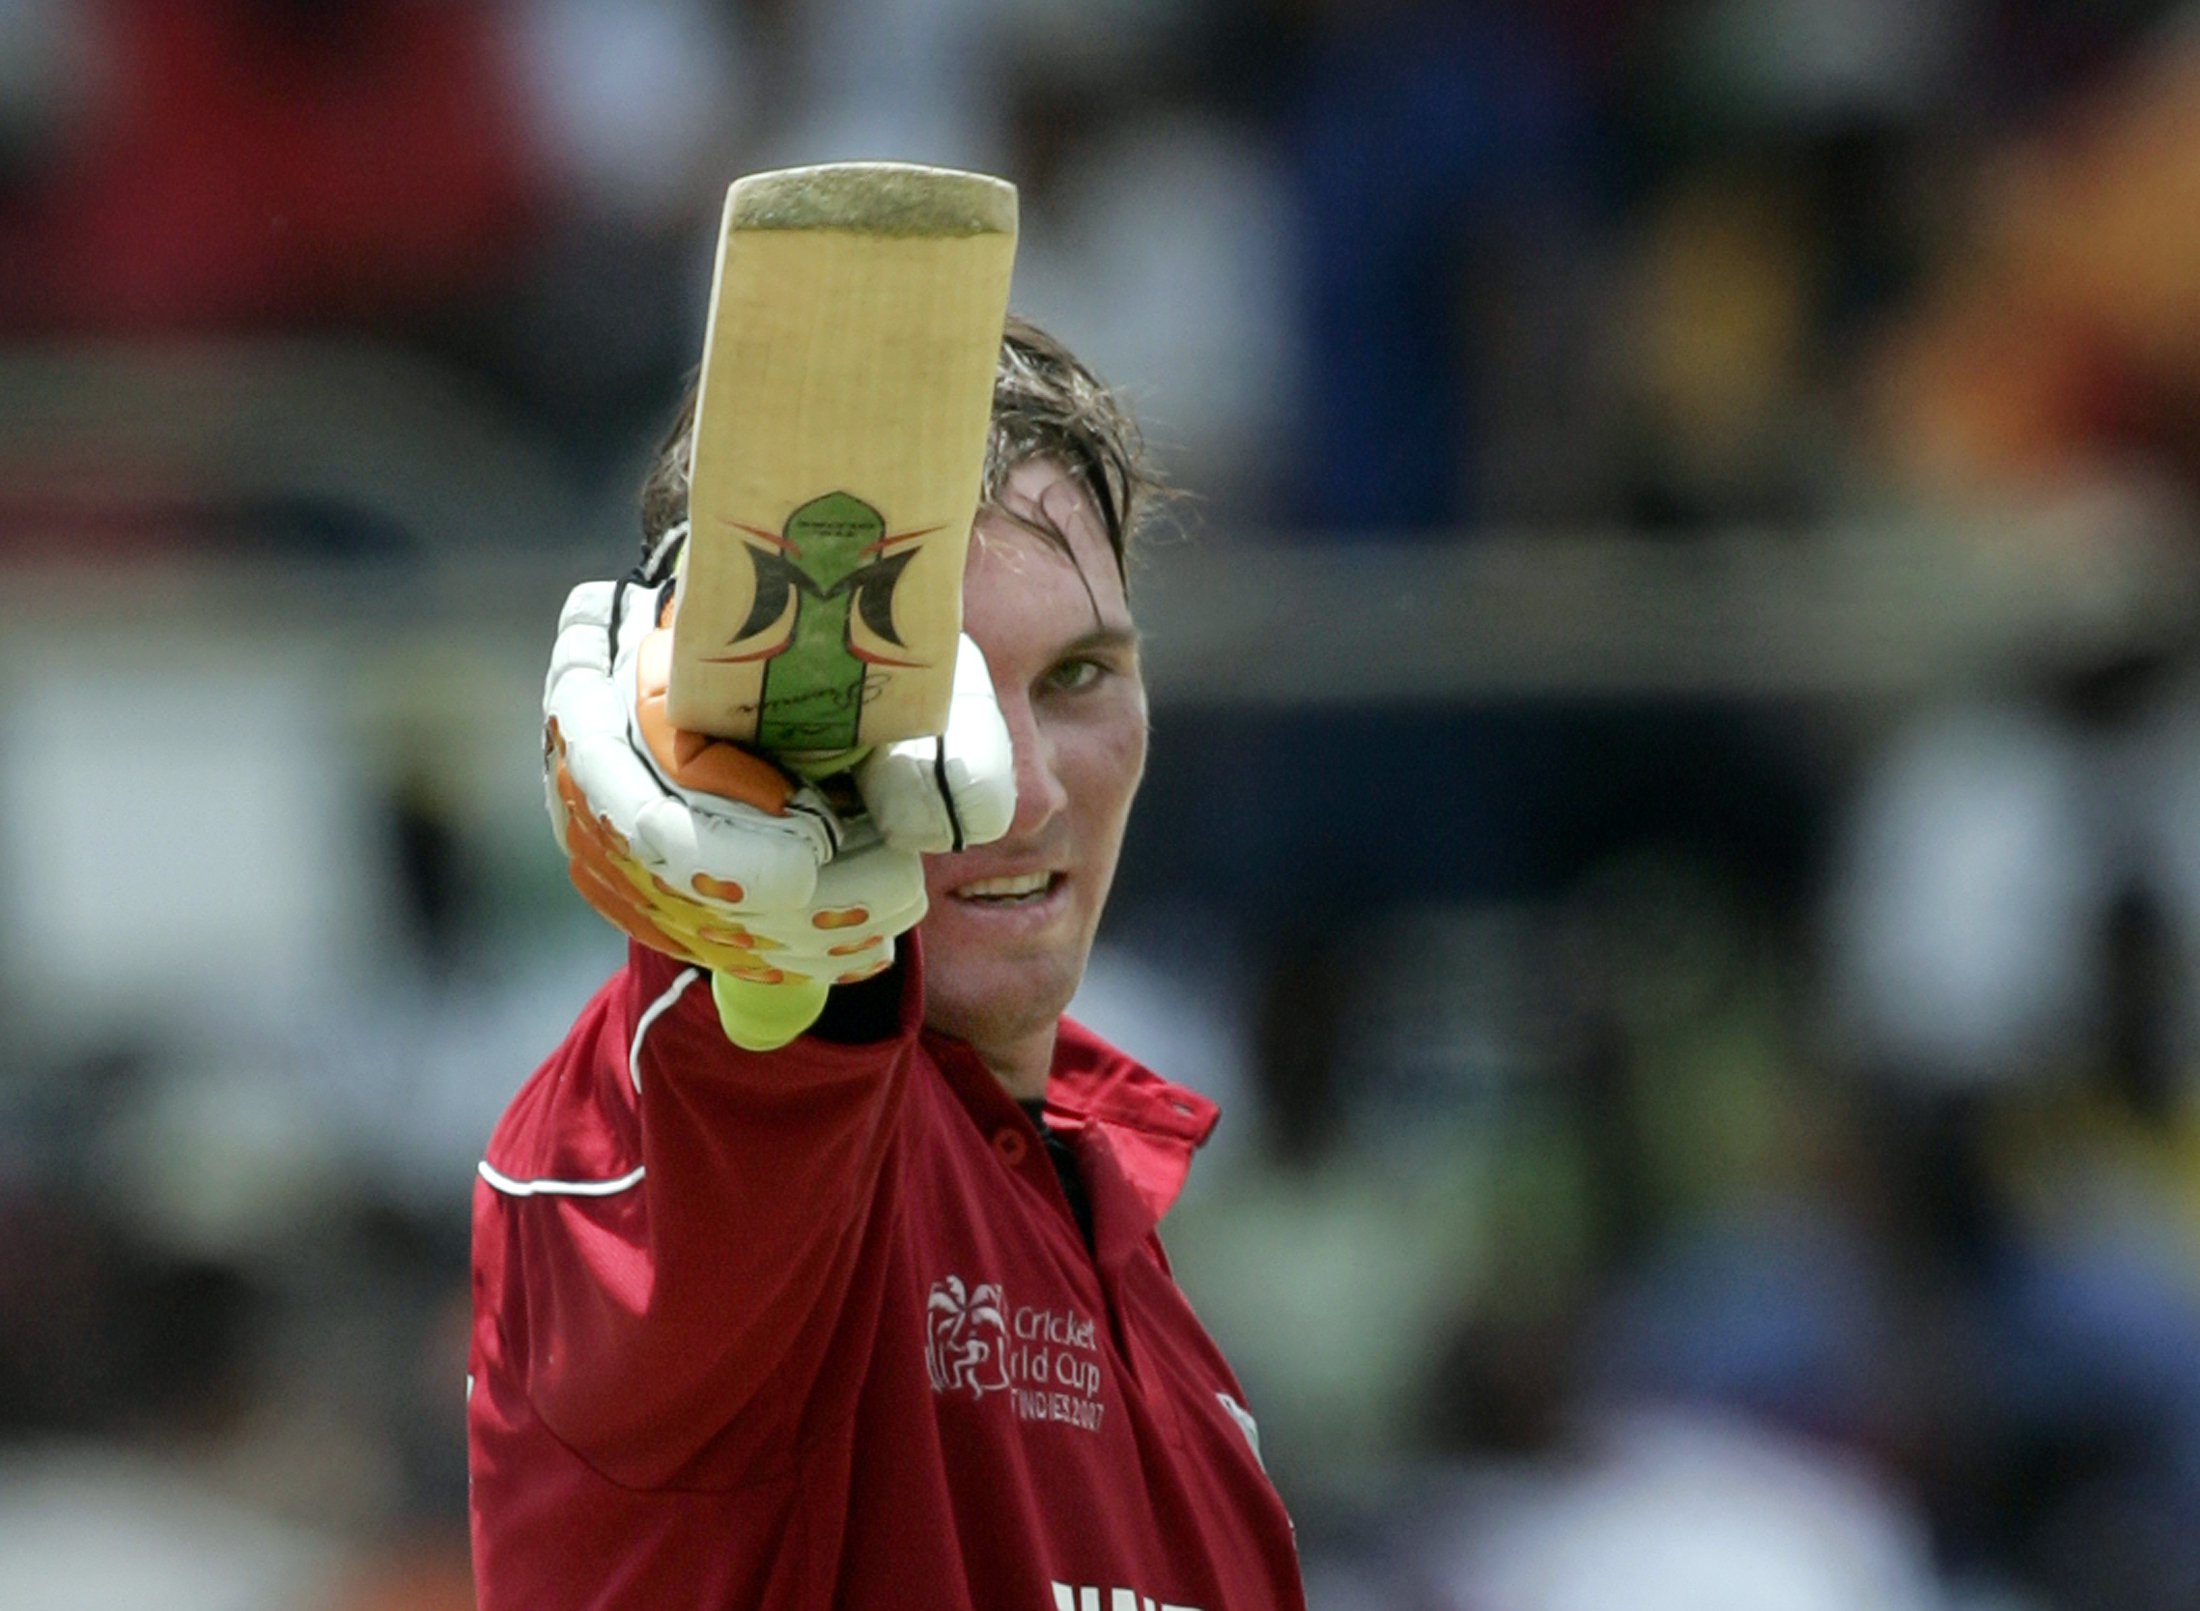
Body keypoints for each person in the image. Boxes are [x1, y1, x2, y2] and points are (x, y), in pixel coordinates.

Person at [469, 316, 1307, 1610]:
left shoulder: (1189, 1367)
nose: (1023, 790)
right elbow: (762, 1085)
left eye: (1080, 676)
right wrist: (768, 959)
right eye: (939, 698)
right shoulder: (703, 1119)